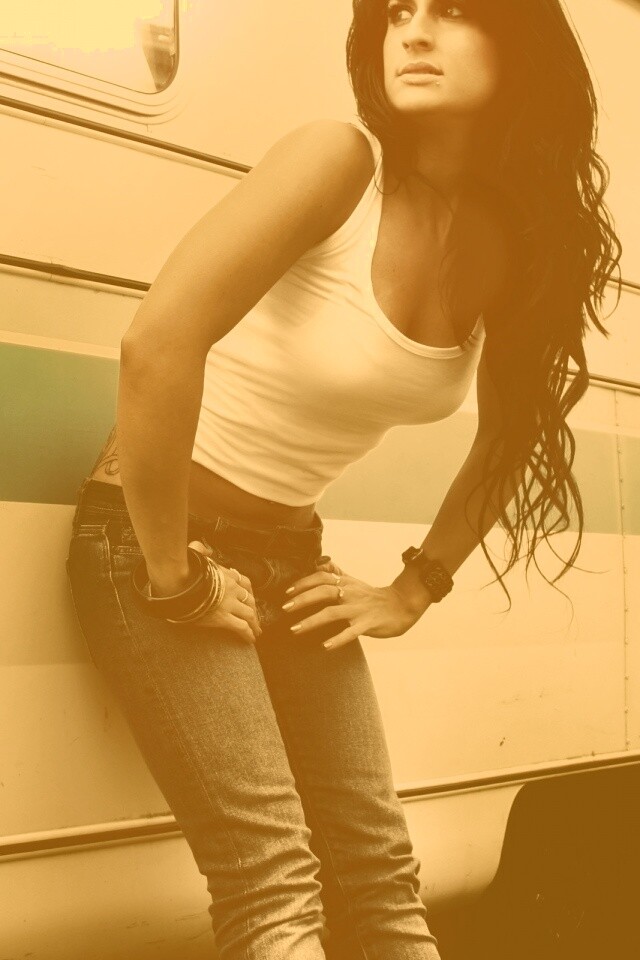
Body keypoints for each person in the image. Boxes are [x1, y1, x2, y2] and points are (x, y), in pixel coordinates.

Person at [66, 1, 622, 958]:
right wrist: (174, 575)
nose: (413, 32)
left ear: (519, 46)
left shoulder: (509, 241)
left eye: (452, 12)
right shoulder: (338, 162)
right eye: (397, 11)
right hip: (151, 537)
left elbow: (514, 436)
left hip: (291, 557)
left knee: (380, 877)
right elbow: (157, 344)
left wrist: (416, 585)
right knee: (274, 883)